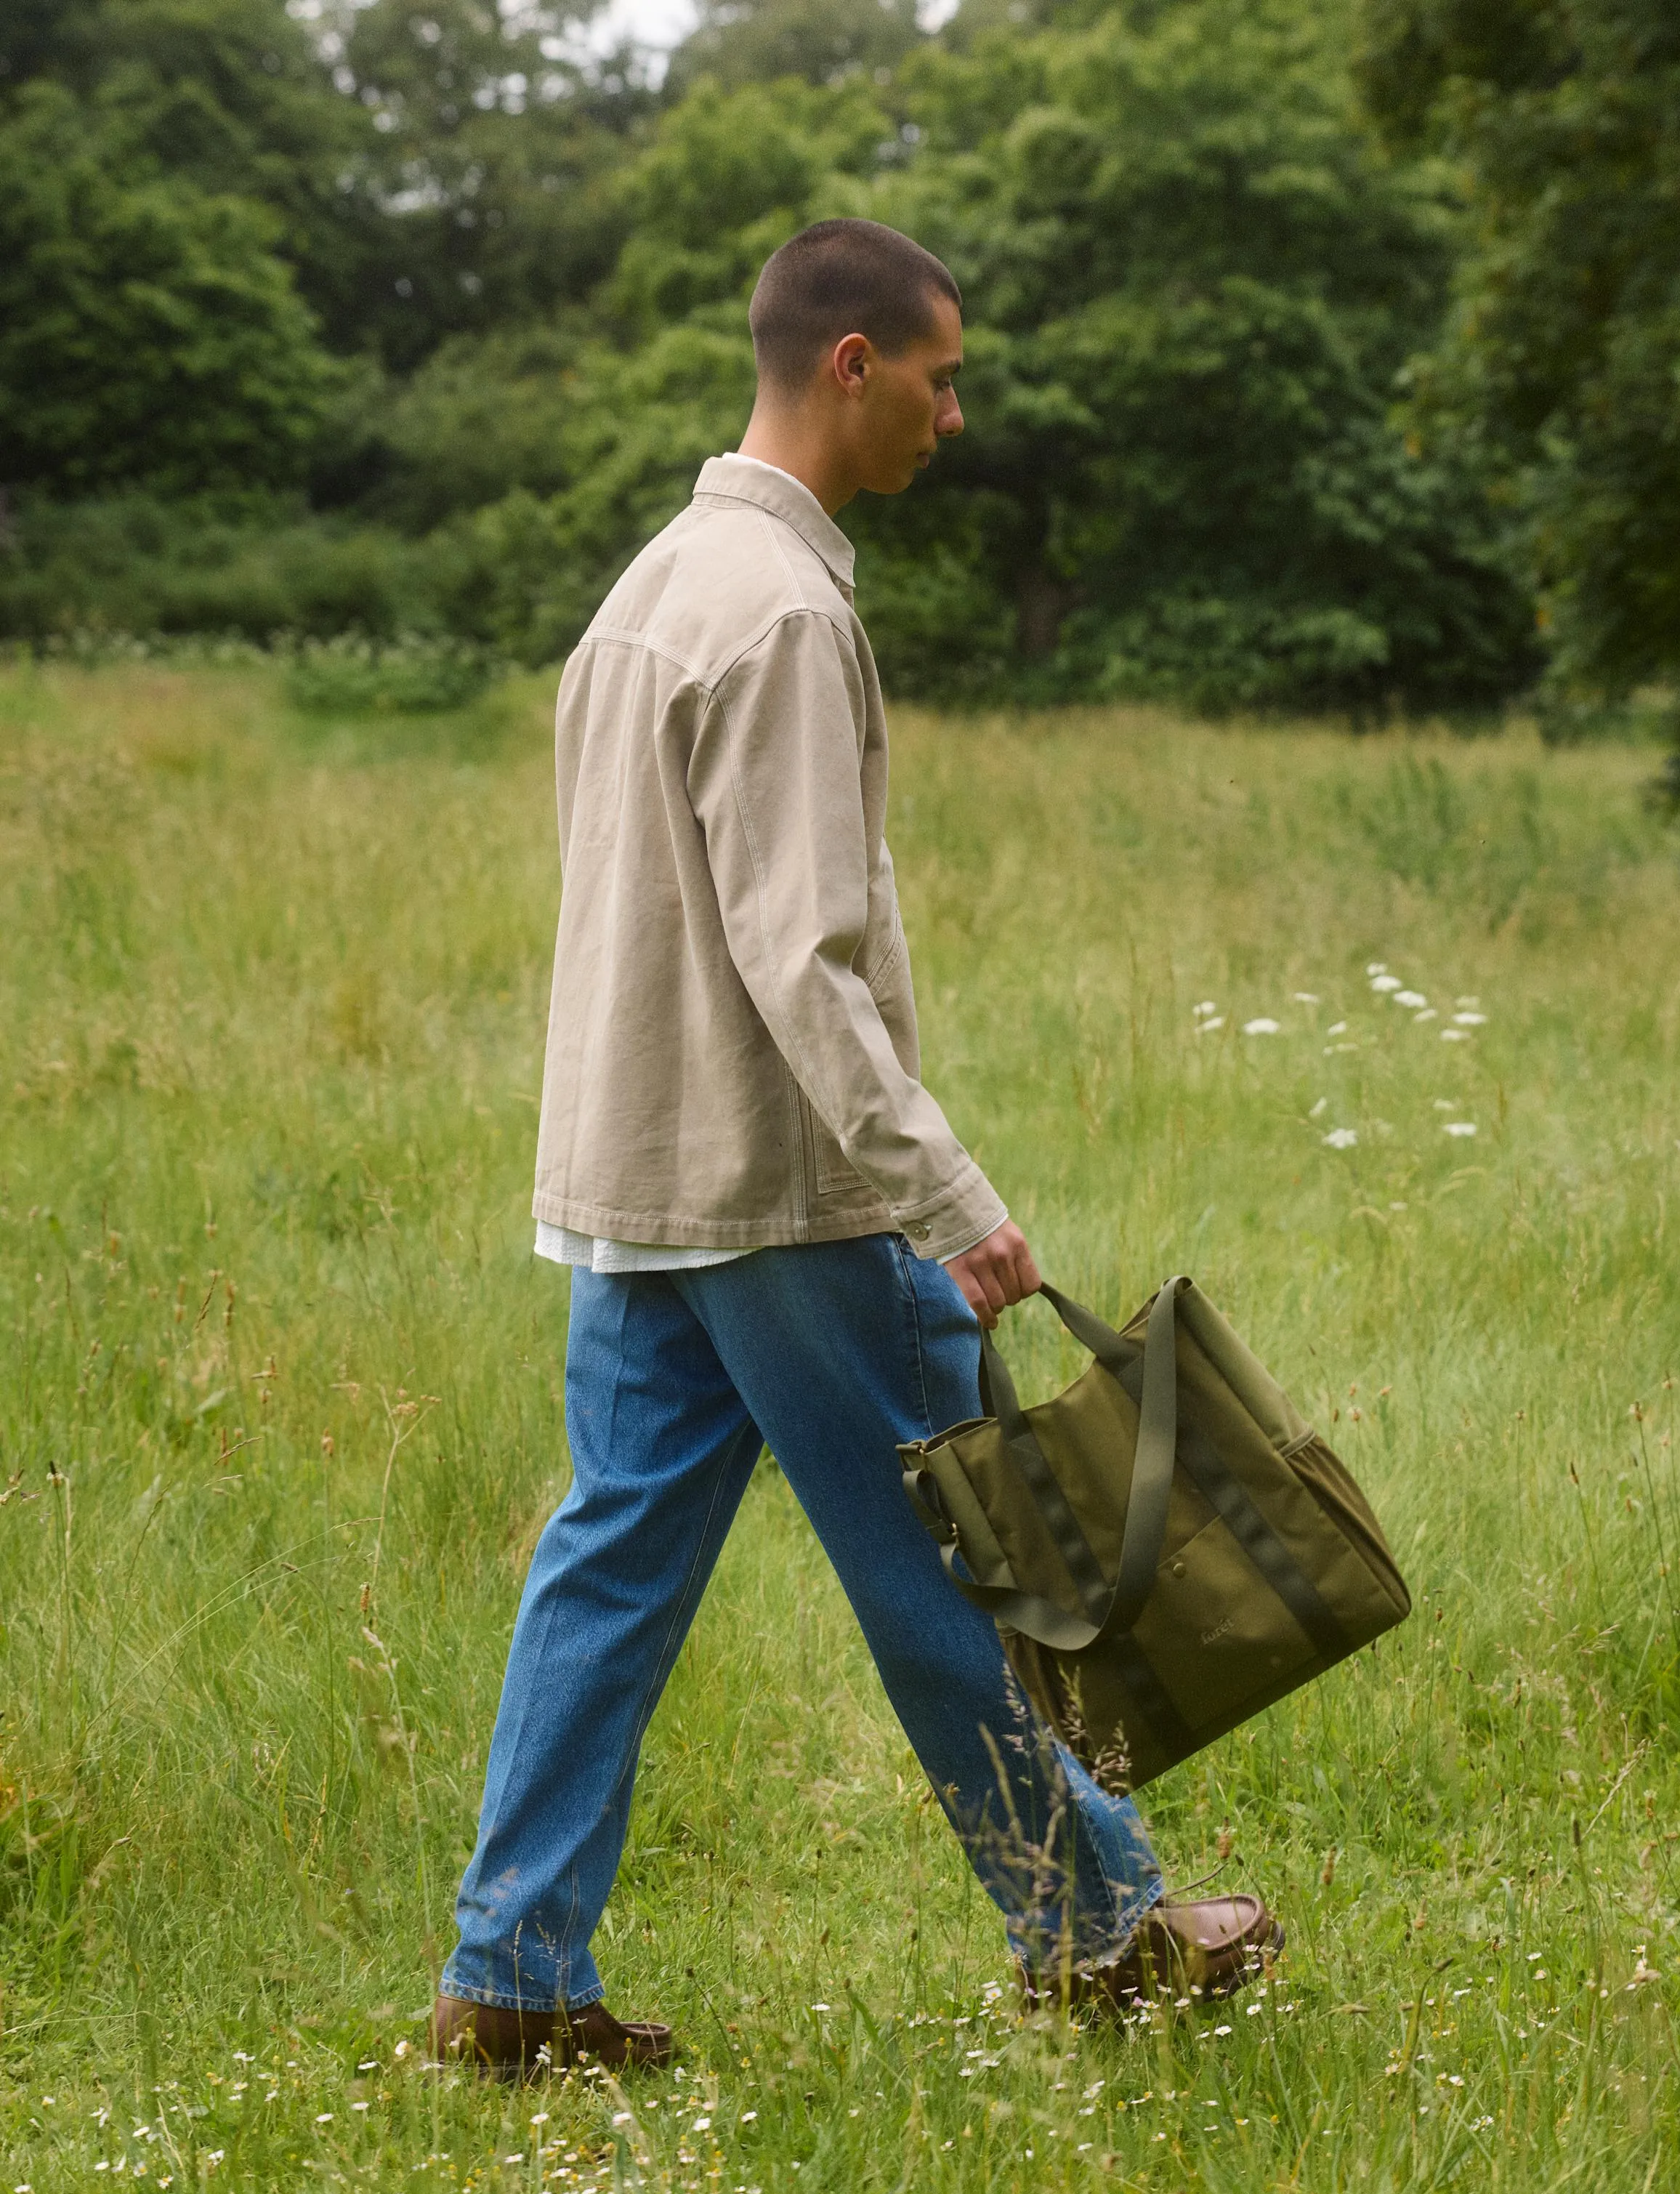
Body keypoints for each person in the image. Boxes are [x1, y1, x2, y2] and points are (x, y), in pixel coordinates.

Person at [432, 219, 1279, 2075]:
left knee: (608, 1564)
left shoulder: (652, 583)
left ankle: (509, 1981)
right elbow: (797, 961)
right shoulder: (788, 610)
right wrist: (945, 1196)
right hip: (792, 1192)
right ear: (847, 366)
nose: (951, 413)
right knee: (960, 1563)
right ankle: (1101, 1934)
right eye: (938, 374)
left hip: (644, 1189)